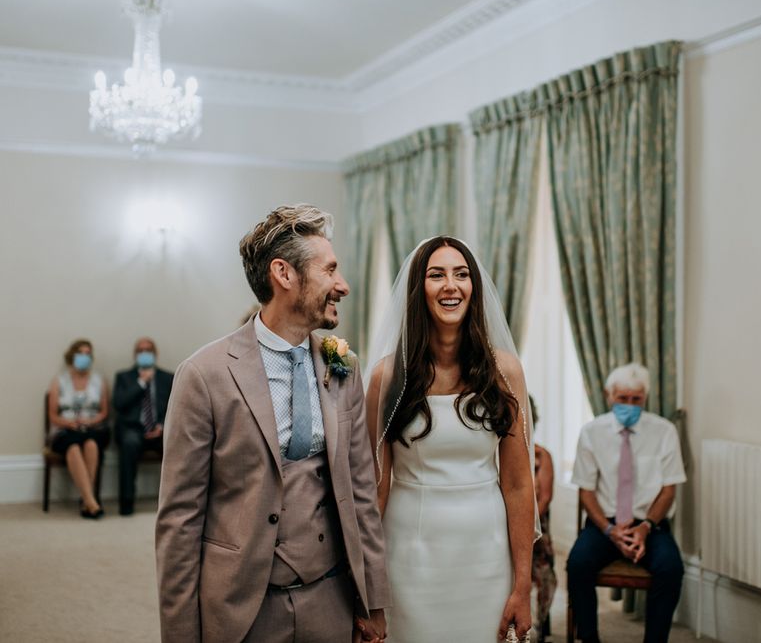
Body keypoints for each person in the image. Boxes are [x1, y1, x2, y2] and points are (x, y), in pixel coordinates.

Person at [155, 204, 390, 643]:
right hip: (244, 607)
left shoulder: (343, 361)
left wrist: (372, 600)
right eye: (330, 271)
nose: (343, 286)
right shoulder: (204, 374)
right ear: (284, 274)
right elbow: (180, 521)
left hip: (331, 600)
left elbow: (360, 490)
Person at [365, 235, 538, 643]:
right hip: (409, 555)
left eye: (461, 275)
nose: (450, 286)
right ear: (418, 289)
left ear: (474, 288)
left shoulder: (505, 372)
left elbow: (517, 484)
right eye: (436, 275)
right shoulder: (387, 378)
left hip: (486, 553)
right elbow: (375, 490)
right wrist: (369, 591)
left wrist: (522, 585)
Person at [567, 362, 686, 643]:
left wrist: (644, 528)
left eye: (636, 399)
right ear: (609, 396)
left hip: (650, 525)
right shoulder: (591, 433)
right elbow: (586, 491)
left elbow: (669, 491)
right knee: (577, 565)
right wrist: (611, 532)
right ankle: (589, 638)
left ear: (645, 398)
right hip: (603, 525)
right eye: (622, 398)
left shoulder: (665, 431)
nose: (629, 405)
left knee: (672, 570)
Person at [47, 339, 109, 518]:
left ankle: (86, 501)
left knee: (91, 444)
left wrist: (91, 421)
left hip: (93, 429)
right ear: (72, 356)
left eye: (88, 354)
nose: (85, 357)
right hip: (66, 430)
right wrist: (68, 423)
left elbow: (104, 411)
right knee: (73, 447)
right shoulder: (59, 380)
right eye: (81, 353)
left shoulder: (98, 380)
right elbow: (52, 414)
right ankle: (90, 501)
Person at [113, 337, 174, 516]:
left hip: (159, 430)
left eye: (148, 350)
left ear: (155, 354)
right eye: (141, 350)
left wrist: (162, 426)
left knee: (177, 445)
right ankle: (126, 503)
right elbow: (119, 404)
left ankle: (173, 502)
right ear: (135, 354)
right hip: (133, 429)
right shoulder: (124, 377)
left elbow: (175, 406)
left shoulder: (167, 377)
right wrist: (141, 383)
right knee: (130, 443)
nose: (144, 353)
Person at [529, 396, 556, 643]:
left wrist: (524, 527)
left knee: (544, 572)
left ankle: (538, 624)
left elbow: (545, 498)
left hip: (535, 528)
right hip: (495, 525)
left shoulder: (541, 456)